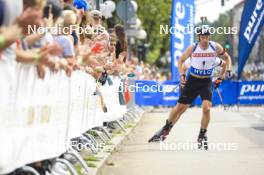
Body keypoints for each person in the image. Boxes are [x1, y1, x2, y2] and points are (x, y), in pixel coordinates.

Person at [148, 21, 232, 150]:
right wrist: (181, 75)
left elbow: (227, 59)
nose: (205, 39)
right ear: (199, 37)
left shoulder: (216, 47)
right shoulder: (192, 48)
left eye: (207, 37)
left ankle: (202, 135)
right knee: (180, 107)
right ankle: (166, 128)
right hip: (193, 80)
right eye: (203, 37)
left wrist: (222, 76)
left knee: (207, 108)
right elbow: (181, 61)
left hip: (206, 82)